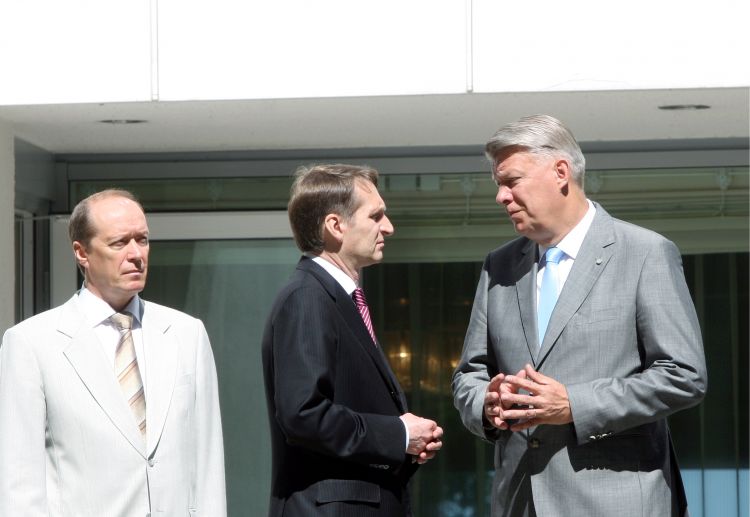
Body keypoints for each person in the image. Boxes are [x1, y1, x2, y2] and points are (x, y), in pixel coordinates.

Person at [452, 115, 707, 517]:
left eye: (511, 181)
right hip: (519, 501)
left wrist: (575, 404)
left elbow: (684, 375)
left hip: (616, 503)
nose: (501, 196)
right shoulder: (498, 266)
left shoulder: (645, 253)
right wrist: (486, 402)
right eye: (498, 185)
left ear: (560, 172)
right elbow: (469, 374)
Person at [0, 189, 226, 516]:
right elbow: (19, 482)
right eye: (119, 243)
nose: (136, 254)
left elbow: (207, 464)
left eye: (142, 240)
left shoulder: (186, 334)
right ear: (82, 252)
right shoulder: (32, 343)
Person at [262, 163, 443, 516]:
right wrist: (399, 435)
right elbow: (303, 415)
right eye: (375, 216)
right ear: (335, 226)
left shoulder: (333, 297)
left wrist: (406, 444)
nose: (388, 227)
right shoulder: (307, 297)